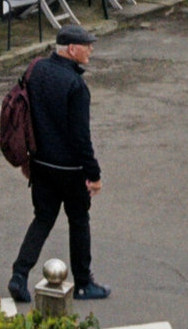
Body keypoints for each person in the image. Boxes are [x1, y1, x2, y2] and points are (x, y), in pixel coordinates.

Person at [9, 25, 112, 304]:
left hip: (40, 164)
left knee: (43, 218)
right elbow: (81, 138)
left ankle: (19, 274)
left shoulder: (37, 70)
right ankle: (82, 283)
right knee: (79, 221)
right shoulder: (76, 86)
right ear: (71, 49)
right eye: (86, 45)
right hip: (69, 170)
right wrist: (94, 175)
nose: (91, 49)